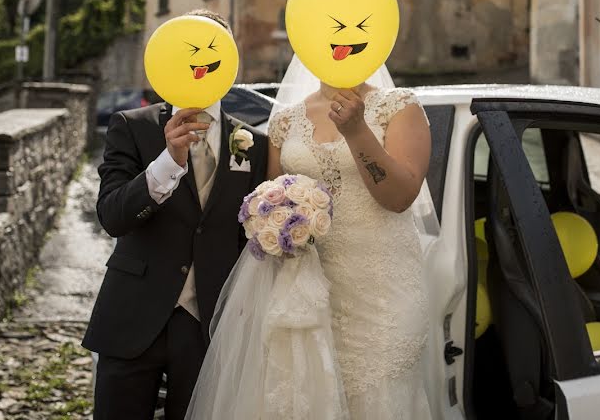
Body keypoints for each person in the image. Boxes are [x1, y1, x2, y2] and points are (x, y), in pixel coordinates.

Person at [186, 56, 434, 419]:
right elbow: (268, 199)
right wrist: (273, 225)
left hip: (381, 293)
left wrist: (356, 130)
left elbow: (398, 198)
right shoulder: (286, 121)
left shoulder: (399, 108)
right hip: (305, 291)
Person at [82, 9, 268, 420]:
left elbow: (249, 238)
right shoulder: (132, 126)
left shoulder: (253, 143)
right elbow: (112, 217)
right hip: (133, 314)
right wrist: (169, 160)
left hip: (208, 326)